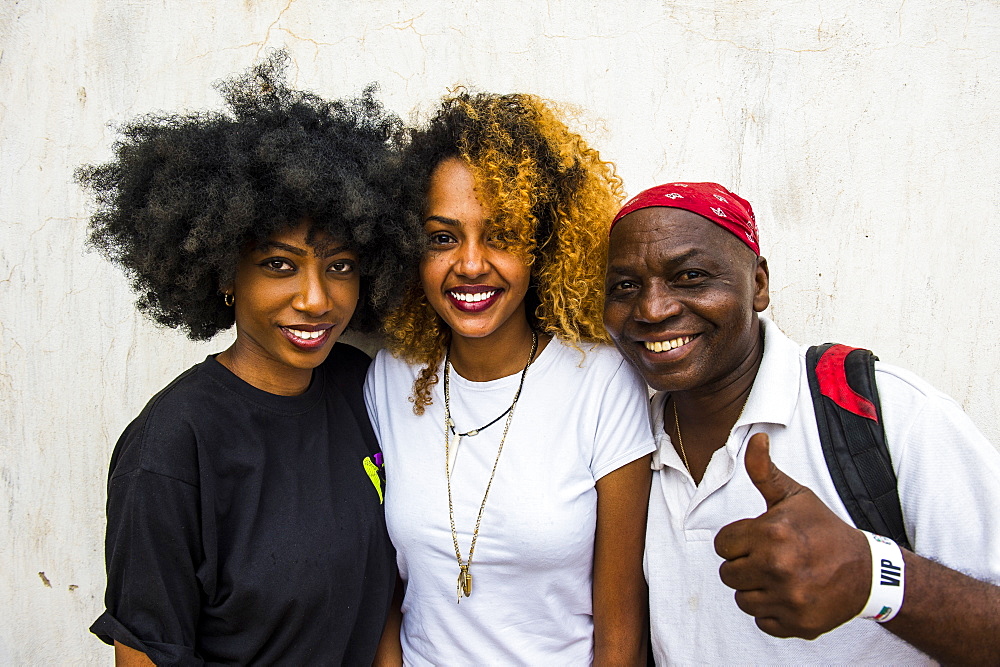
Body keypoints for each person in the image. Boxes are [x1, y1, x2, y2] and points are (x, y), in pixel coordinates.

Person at [78, 53, 418, 665]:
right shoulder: (173, 445)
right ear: (224, 272)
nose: (316, 300)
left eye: (339, 266)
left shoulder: (360, 385)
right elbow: (147, 653)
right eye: (279, 265)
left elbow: (382, 593)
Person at [603, 181, 1000, 664]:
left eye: (690, 276)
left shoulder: (883, 413)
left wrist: (872, 577)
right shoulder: (624, 442)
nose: (653, 309)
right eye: (624, 286)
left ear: (759, 284)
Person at [363, 91, 655, 665]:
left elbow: (621, 620)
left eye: (501, 235)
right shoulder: (390, 378)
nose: (470, 264)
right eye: (443, 238)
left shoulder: (599, 382)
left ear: (544, 247)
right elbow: (382, 594)